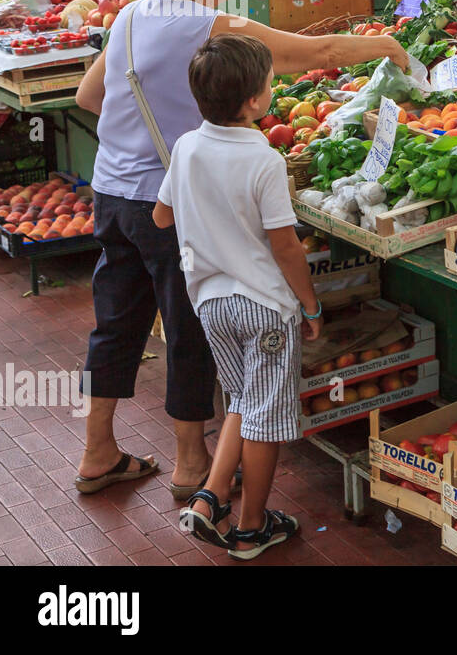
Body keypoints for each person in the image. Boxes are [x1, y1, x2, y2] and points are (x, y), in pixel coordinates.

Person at [73, 0, 408, 500]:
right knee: (186, 330)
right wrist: (383, 45)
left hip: (111, 195)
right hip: (167, 209)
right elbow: (316, 51)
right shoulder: (209, 25)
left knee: (116, 323)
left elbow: (89, 96)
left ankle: (97, 450)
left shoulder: (128, 17)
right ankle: (188, 463)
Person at [157, 34, 315, 559]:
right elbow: (286, 246)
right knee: (265, 420)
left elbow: (162, 215)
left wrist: (205, 214)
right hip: (264, 307)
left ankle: (208, 501)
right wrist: (310, 304)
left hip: (210, 304)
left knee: (243, 403)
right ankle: (251, 528)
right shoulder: (264, 160)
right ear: (254, 101)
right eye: (270, 83)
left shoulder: (185, 147)